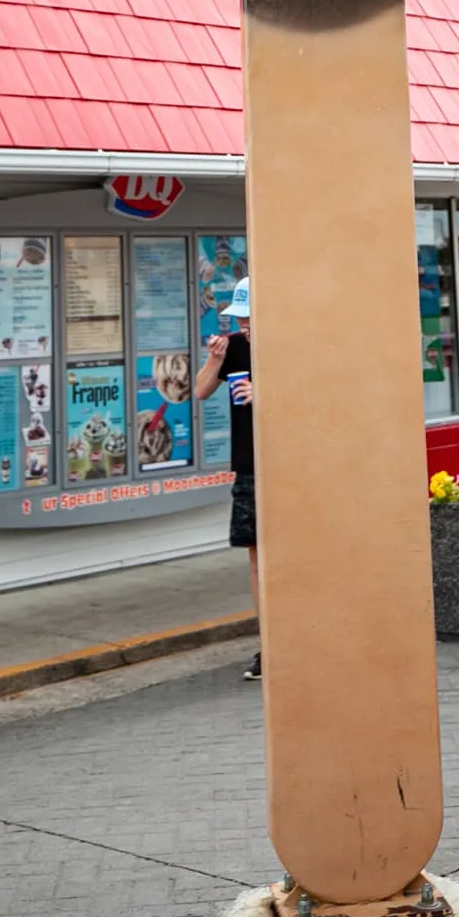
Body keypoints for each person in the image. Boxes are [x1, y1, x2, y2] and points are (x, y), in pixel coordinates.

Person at [195, 276, 259, 680]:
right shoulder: (234, 347)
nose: (244, 326)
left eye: (250, 318)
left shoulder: (294, 350)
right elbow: (200, 392)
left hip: (288, 466)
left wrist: (268, 392)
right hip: (249, 464)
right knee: (256, 557)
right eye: (240, 319)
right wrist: (215, 360)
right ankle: (267, 645)